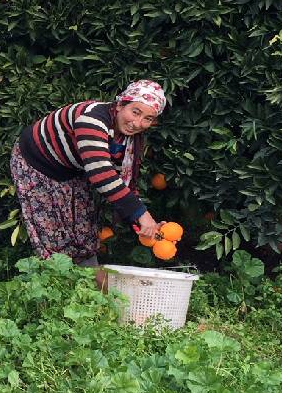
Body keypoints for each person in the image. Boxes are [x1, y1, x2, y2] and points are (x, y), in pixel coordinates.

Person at [10, 80, 167, 267]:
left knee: (84, 227)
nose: (137, 123)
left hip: (73, 167)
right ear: (120, 105)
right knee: (54, 231)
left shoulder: (128, 138)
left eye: (148, 118)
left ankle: (86, 277)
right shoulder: (92, 119)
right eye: (135, 112)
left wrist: (141, 222)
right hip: (38, 163)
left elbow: (122, 180)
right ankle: (59, 276)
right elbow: (102, 174)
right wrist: (141, 214)